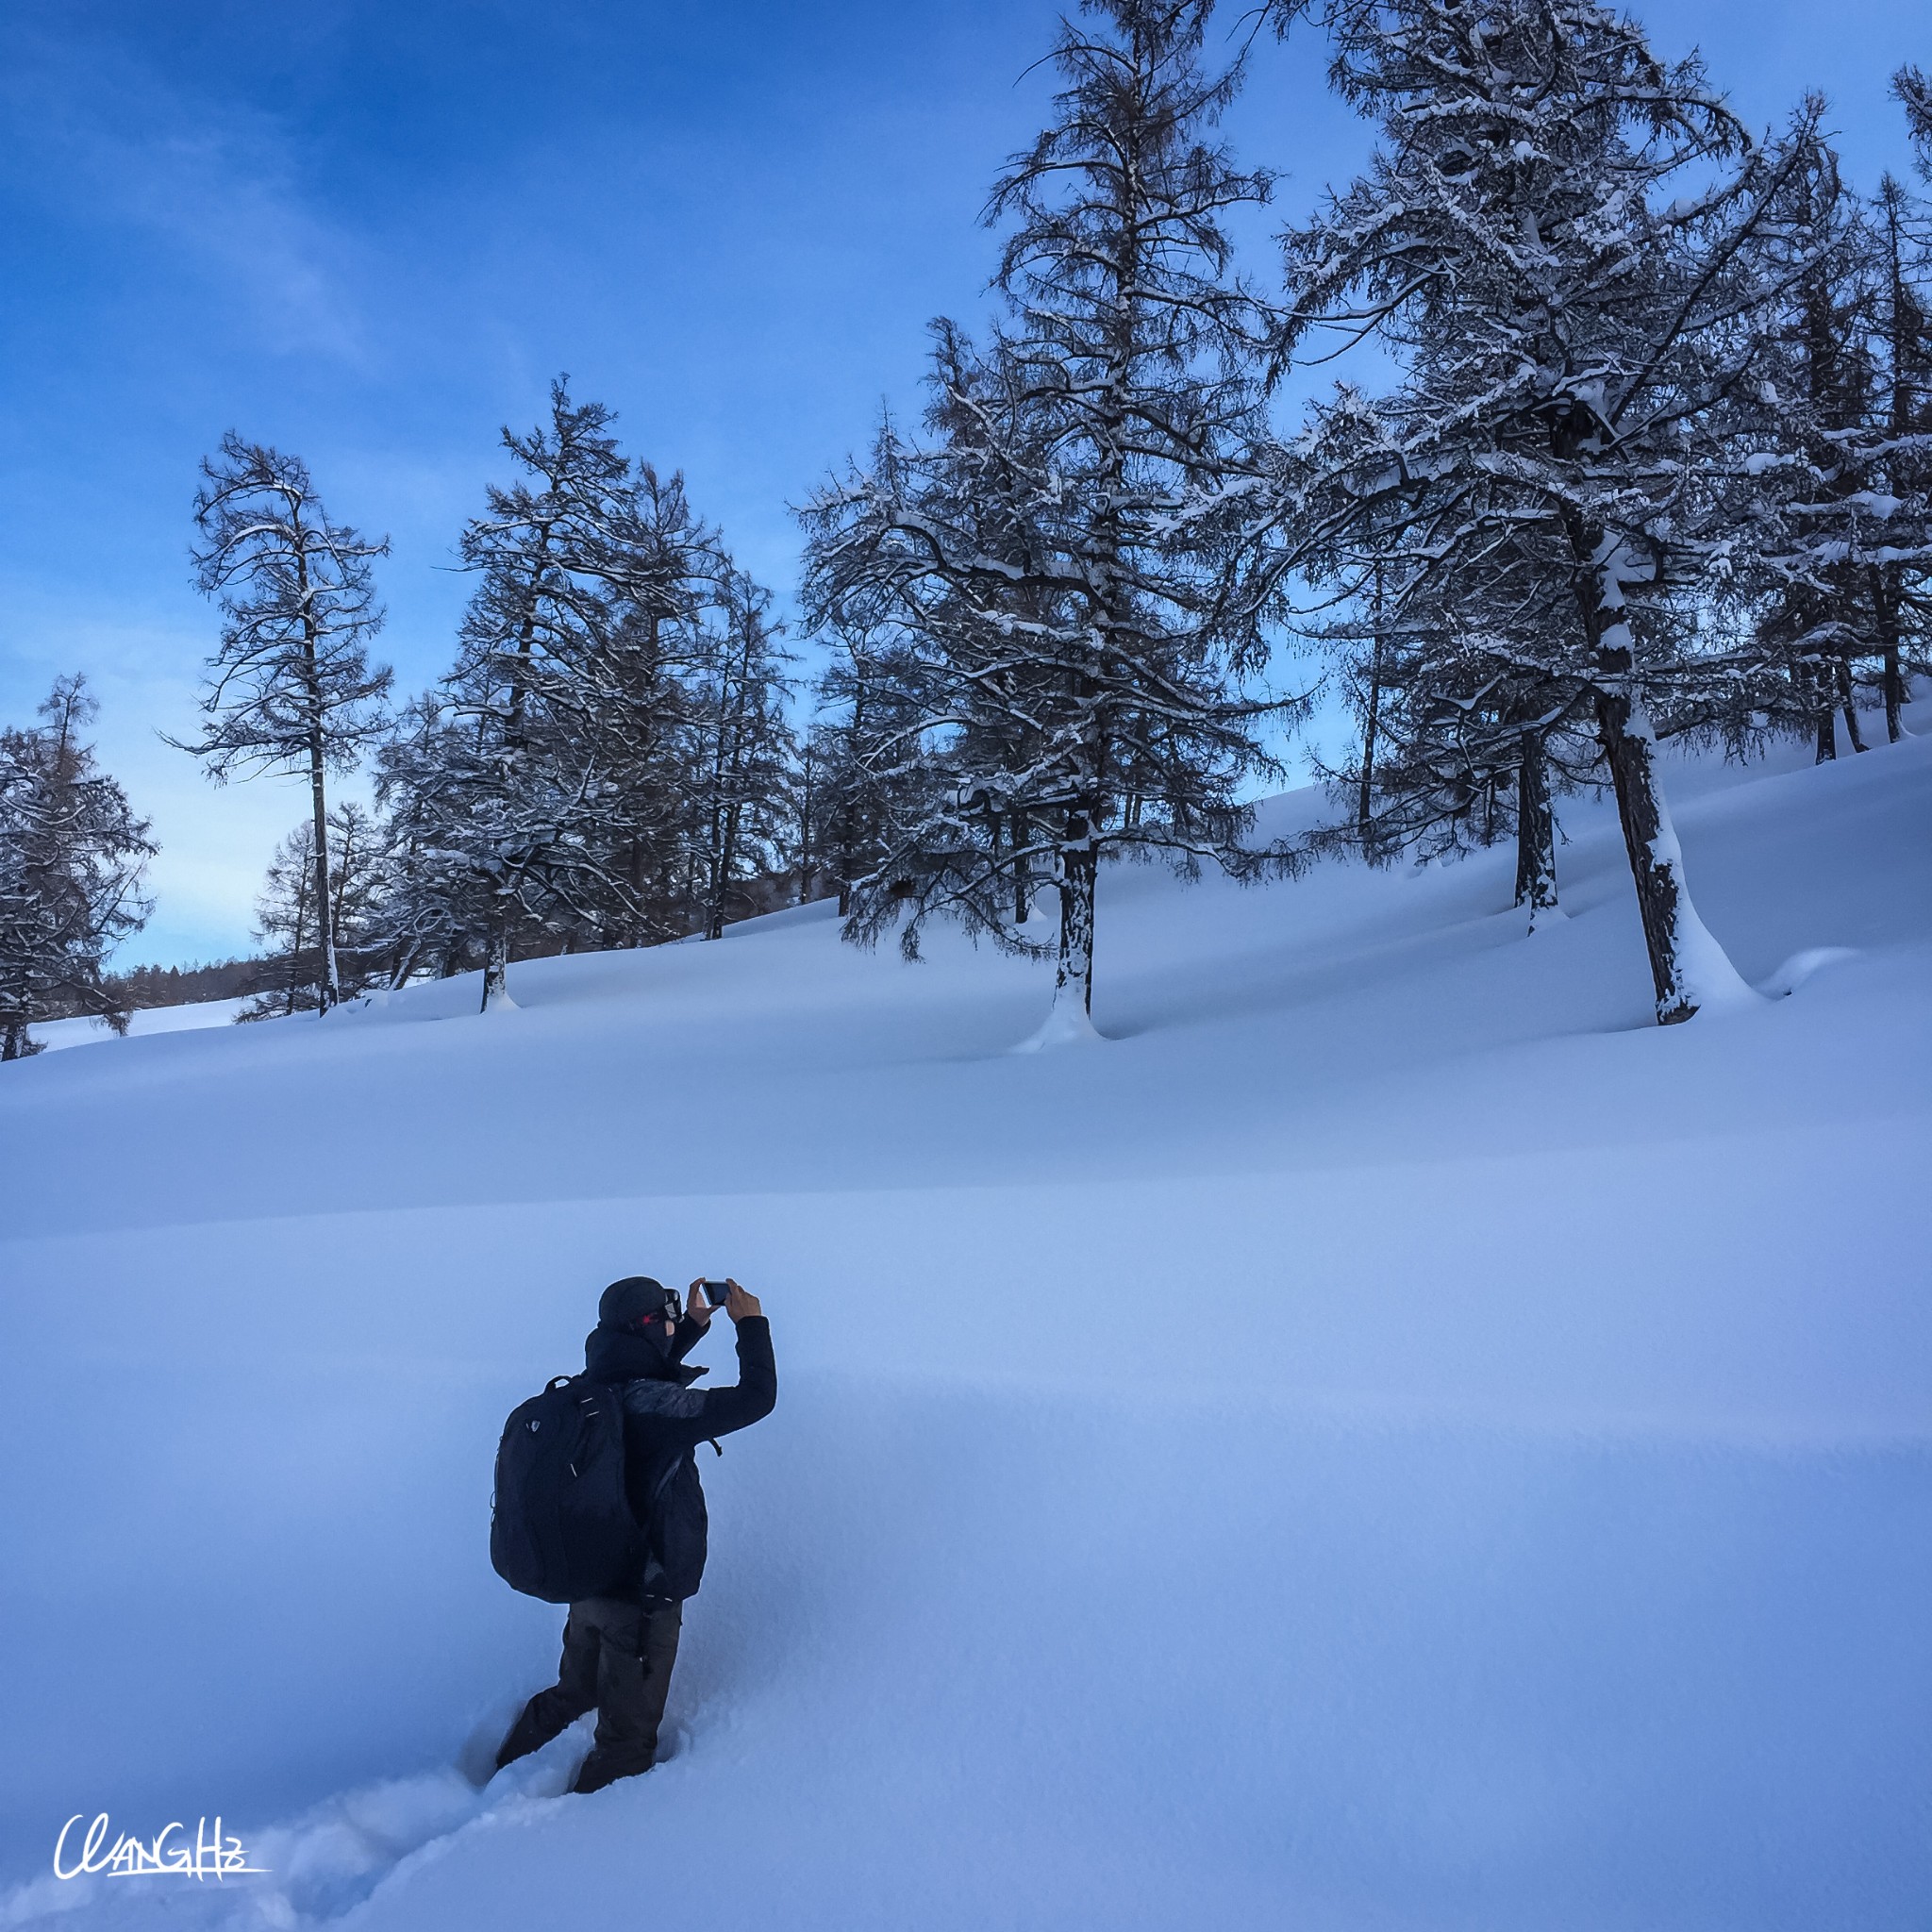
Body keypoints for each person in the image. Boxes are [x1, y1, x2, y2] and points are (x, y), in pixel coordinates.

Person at [494, 1274, 776, 1793]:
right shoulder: (656, 1408)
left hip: (591, 1581)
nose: (671, 1329)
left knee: (573, 1693)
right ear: (649, 1328)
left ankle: (500, 1764)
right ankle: (575, 1844)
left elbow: (643, 1368)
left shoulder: (594, 1387)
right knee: (626, 1740)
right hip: (643, 1600)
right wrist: (751, 1325)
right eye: (665, 1321)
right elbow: (757, 1399)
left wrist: (691, 1325)